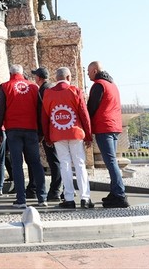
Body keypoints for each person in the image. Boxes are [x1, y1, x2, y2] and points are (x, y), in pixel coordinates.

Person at [0, 64, 47, 208]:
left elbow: (0, 111)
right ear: (22, 73)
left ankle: (21, 199)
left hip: (13, 130)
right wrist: (41, 131)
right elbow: (40, 110)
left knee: (17, 164)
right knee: (36, 163)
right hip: (31, 130)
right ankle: (42, 197)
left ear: (11, 73)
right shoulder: (34, 87)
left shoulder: (5, 87)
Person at [41, 67, 93, 209]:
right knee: (80, 164)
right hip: (76, 133)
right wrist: (88, 135)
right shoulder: (75, 91)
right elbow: (84, 114)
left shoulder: (48, 93)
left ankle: (69, 198)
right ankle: (85, 198)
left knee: (64, 164)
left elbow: (44, 117)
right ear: (69, 77)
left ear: (56, 78)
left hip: (57, 134)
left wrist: (47, 137)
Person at [87, 61, 129, 208]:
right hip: (114, 126)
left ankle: (119, 195)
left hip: (104, 127)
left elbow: (91, 107)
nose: (87, 74)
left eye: (88, 71)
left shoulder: (99, 85)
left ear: (95, 71)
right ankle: (115, 192)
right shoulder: (112, 85)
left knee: (110, 162)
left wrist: (86, 124)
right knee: (112, 161)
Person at [31, 67, 63, 201]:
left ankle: (55, 190)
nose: (34, 79)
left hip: (49, 130)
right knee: (60, 160)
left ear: (39, 78)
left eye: (35, 77)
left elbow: (43, 113)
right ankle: (65, 190)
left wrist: (42, 133)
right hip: (56, 128)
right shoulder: (49, 88)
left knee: (54, 161)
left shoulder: (44, 90)